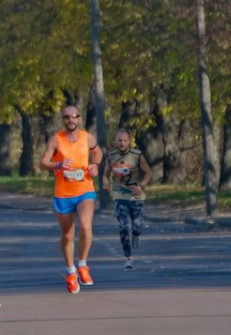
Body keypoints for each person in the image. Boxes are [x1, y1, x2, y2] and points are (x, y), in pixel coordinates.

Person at [39, 105, 103, 294]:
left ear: (79, 118)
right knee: (67, 234)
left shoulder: (87, 137)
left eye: (74, 116)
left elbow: (97, 152)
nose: (71, 120)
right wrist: (57, 164)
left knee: (85, 226)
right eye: (67, 117)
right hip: (64, 193)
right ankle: (70, 271)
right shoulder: (56, 139)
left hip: (85, 189)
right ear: (63, 120)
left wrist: (95, 165)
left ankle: (82, 264)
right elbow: (42, 163)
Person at [102, 129, 152, 270]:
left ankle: (136, 234)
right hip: (119, 196)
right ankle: (128, 258)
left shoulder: (137, 155)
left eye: (124, 140)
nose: (122, 143)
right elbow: (105, 174)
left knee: (136, 225)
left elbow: (148, 172)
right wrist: (106, 183)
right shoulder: (111, 157)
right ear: (116, 141)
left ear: (129, 141)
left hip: (136, 197)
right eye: (119, 140)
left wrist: (141, 185)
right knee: (124, 226)